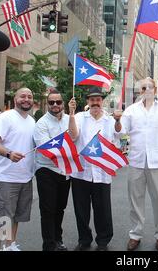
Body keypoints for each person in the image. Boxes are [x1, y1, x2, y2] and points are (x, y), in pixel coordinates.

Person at [117, 77, 158, 251]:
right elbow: (123, 134)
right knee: (135, 200)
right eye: (144, 87)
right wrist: (124, 150)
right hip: (136, 160)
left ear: (156, 90)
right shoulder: (130, 111)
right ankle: (135, 234)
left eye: (150, 87)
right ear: (140, 91)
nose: (147, 90)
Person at [68, 87, 122, 251]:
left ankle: (103, 241)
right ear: (88, 102)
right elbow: (73, 136)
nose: (95, 103)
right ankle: (84, 240)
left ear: (102, 101)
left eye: (98, 99)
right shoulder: (78, 117)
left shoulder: (109, 120)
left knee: (103, 210)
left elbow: (119, 134)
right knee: (81, 210)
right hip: (81, 172)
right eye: (92, 100)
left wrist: (118, 120)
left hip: (101, 173)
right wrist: (70, 113)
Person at [0, 88, 35, 251]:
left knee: (16, 216)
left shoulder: (32, 121)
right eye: (22, 96)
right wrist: (9, 153)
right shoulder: (5, 118)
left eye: (29, 97)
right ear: (15, 98)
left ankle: (10, 245)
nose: (26, 99)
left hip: (25, 178)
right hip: (5, 178)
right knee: (2, 217)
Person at [33, 90, 70, 251]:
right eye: (51, 102)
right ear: (47, 104)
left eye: (58, 102)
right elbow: (46, 150)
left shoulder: (70, 120)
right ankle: (48, 245)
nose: (55, 105)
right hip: (46, 170)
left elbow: (77, 139)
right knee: (48, 210)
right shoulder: (41, 123)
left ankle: (58, 239)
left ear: (63, 103)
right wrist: (69, 150)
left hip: (65, 171)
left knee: (60, 208)